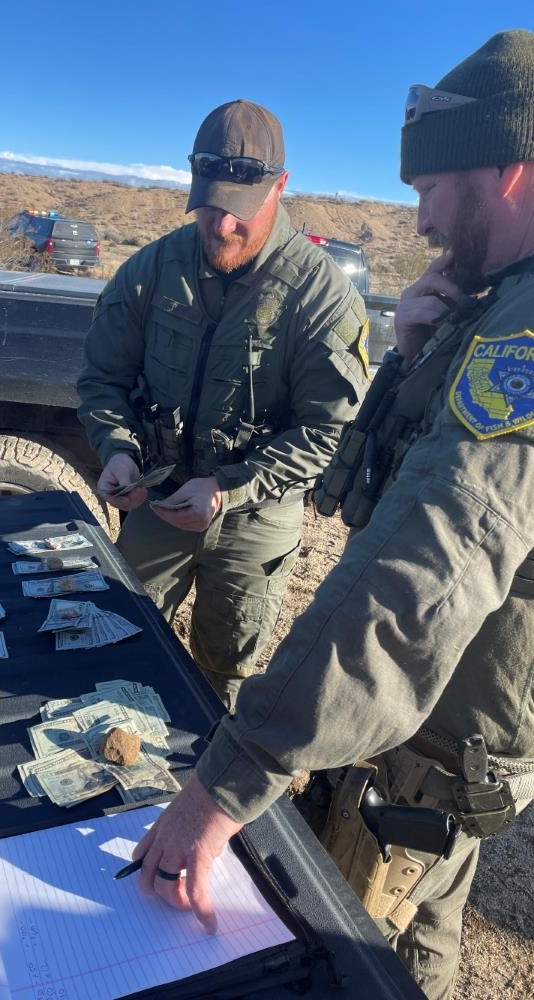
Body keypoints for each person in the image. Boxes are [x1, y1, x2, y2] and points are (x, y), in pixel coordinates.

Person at [131, 29, 534, 1000]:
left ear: (509, 171)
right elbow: (357, 499)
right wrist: (407, 359)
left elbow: (423, 566)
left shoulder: (525, 333)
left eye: (435, 186)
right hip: (427, 724)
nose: (423, 215)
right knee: (416, 936)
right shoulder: (489, 307)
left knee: (353, 962)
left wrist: (232, 776)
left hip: (434, 745)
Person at [77, 99, 369, 708]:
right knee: (117, 639)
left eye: (239, 212)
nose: (222, 228)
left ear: (280, 187)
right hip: (160, 501)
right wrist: (119, 450)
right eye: (209, 207)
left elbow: (328, 432)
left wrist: (230, 488)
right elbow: (103, 380)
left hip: (254, 520)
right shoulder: (151, 270)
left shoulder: (321, 297)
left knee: (224, 668)